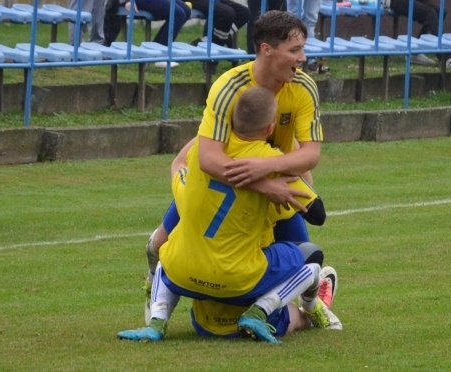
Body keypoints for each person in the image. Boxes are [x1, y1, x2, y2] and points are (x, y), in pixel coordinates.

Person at [139, 11, 323, 321]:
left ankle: (309, 308)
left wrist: (267, 170)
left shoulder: (303, 87)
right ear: (267, 49)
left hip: (272, 176)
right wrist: (262, 182)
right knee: (161, 243)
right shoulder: (229, 86)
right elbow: (209, 158)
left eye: (302, 49)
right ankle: (154, 282)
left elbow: (310, 155)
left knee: (301, 252)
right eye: (295, 50)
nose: (303, 58)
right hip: (223, 178)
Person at [118, 86, 337, 344]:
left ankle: (157, 321)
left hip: (190, 287)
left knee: (167, 254)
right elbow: (317, 213)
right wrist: (282, 170)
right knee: (310, 261)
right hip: (239, 280)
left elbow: (178, 165)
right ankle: (278, 310)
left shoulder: (203, 152)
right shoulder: (271, 162)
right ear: (270, 128)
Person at [190, 265, 341, 338]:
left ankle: (163, 317)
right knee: (309, 265)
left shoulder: (189, 205)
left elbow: (167, 252)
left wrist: (164, 312)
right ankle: (312, 304)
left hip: (206, 324)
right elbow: (303, 252)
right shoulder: (269, 209)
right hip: (265, 321)